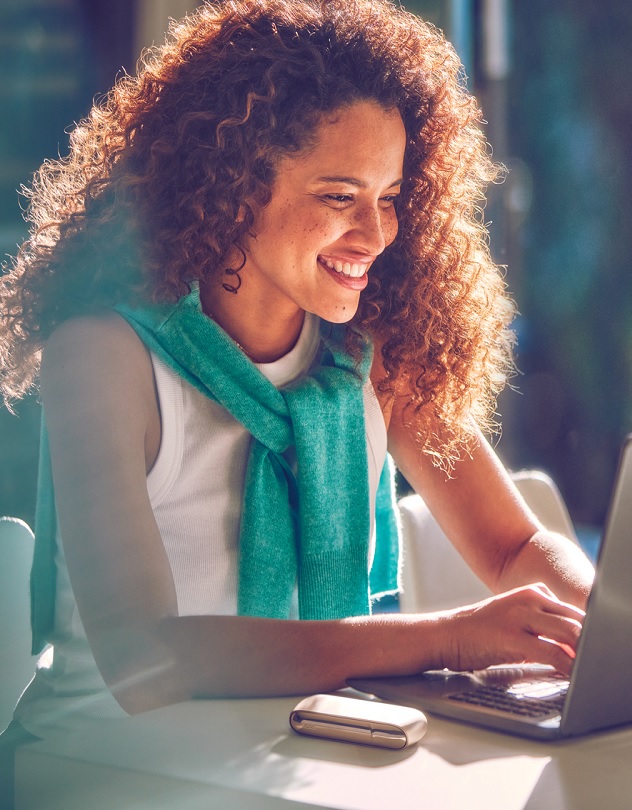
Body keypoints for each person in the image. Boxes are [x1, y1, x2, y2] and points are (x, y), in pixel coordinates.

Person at [0, 0, 594, 743]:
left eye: (390, 198)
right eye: (339, 197)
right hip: (108, 767)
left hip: (305, 753)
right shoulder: (102, 355)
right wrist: (447, 636)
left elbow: (513, 550)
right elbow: (144, 658)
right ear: (232, 185)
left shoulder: (373, 349)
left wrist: (610, 628)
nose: (375, 233)